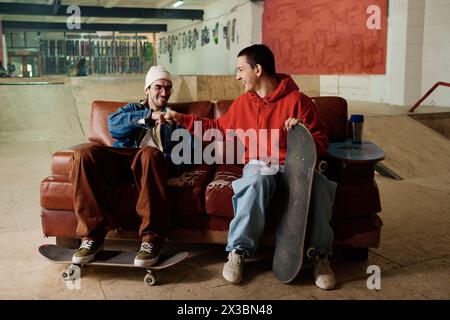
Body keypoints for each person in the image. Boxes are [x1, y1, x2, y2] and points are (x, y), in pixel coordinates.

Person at [165, 44, 336, 290]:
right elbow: (218, 129)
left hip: (294, 166)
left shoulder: (299, 101)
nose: (237, 76)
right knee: (256, 180)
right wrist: (183, 120)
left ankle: (320, 256)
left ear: (257, 69)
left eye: (240, 69)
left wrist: (302, 133)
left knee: (319, 185)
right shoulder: (244, 103)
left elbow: (321, 140)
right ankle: (237, 251)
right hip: (260, 164)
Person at [70, 65, 184, 268]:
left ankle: (151, 240)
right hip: (122, 159)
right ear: (147, 89)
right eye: (159, 87)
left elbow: (185, 152)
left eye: (168, 88)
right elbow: (114, 127)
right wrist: (148, 118)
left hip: (150, 164)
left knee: (149, 154)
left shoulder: (175, 118)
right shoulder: (132, 110)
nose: (164, 93)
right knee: (84, 154)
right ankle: (92, 238)